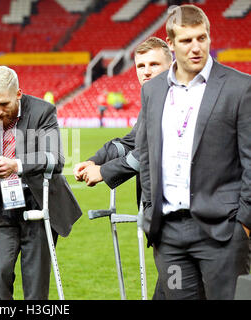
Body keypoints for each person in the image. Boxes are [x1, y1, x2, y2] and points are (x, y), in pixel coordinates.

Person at [137, 4, 250, 299]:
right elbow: (146, 154)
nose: (196, 47)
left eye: (202, 38)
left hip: (223, 233)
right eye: (186, 41)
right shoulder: (153, 90)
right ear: (171, 44)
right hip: (170, 235)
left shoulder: (240, 88)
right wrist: (151, 212)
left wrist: (244, 224)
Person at [0, 66, 82, 300]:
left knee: (35, 288)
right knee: (0, 273)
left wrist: (16, 164)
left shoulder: (43, 111)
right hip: (2, 207)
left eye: (4, 104)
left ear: (18, 94)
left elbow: (56, 159)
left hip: (40, 205)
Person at [73, 37, 173, 300]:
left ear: (171, 64)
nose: (146, 71)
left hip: (180, 216)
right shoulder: (152, 102)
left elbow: (149, 153)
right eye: (141, 65)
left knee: (176, 288)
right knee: (172, 287)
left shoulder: (176, 101)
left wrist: (104, 172)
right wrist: (96, 160)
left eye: (154, 64)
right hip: (163, 217)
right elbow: (130, 143)